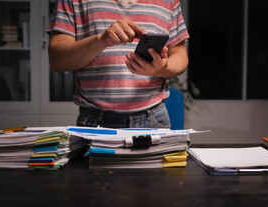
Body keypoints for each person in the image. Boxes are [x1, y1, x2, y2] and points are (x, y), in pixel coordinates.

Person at [48, 0, 189, 128]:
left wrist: (162, 68)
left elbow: (180, 55)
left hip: (153, 117)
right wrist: (101, 40)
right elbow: (57, 60)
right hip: (94, 119)